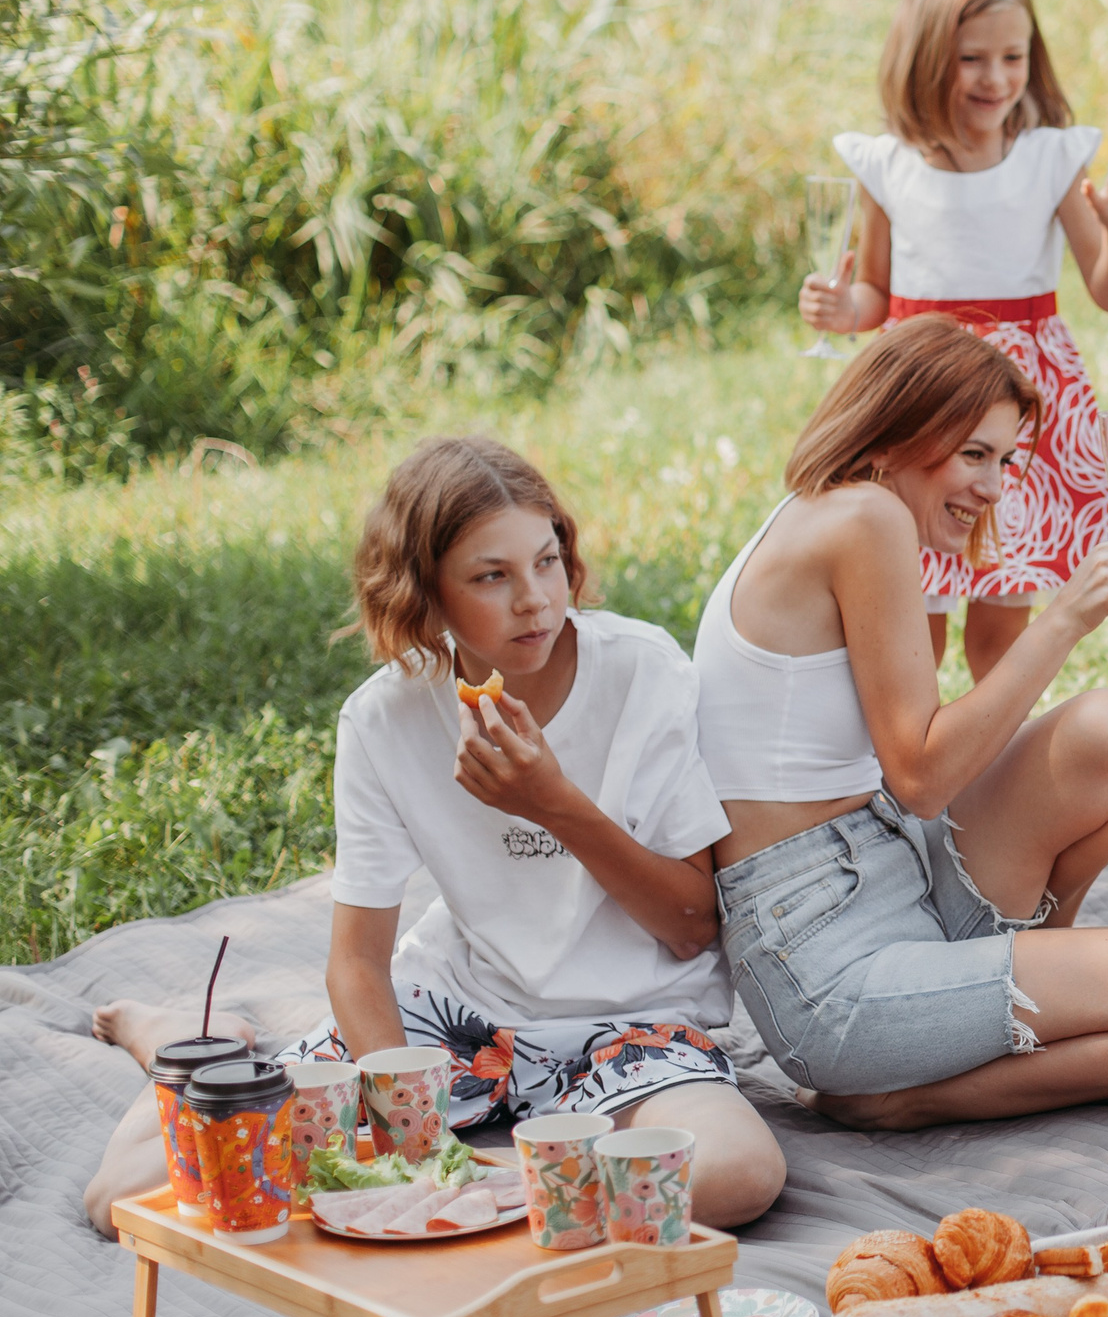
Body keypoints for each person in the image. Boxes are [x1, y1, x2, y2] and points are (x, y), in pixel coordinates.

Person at [84, 438, 787, 1234]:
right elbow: (356, 963)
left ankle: (480, 1201)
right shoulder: (384, 718)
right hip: (454, 1016)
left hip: (631, 1028)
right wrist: (406, 1137)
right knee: (120, 1197)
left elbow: (694, 926)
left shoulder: (641, 672)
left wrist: (554, 803)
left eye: (548, 561)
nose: (536, 600)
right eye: (492, 576)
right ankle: (194, 1045)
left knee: (737, 1172)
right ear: (427, 596)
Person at [695, 315, 1108, 1131]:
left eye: (1006, 460)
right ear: (897, 432)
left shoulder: (838, 511)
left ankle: (1035, 992)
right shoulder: (864, 519)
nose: (994, 488)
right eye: (974, 455)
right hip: (829, 966)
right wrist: (1063, 617)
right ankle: (904, 1097)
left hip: (885, 864)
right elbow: (924, 777)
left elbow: (912, 761)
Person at [799, 0, 1108, 681]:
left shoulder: (1049, 160)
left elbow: (1107, 288)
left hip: (1015, 415)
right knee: (913, 609)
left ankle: (992, 766)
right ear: (925, 56)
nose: (996, 78)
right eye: (973, 58)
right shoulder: (889, 166)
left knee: (1002, 621)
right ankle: (915, 757)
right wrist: (845, 309)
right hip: (922, 403)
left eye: (1013, 56)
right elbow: (877, 292)